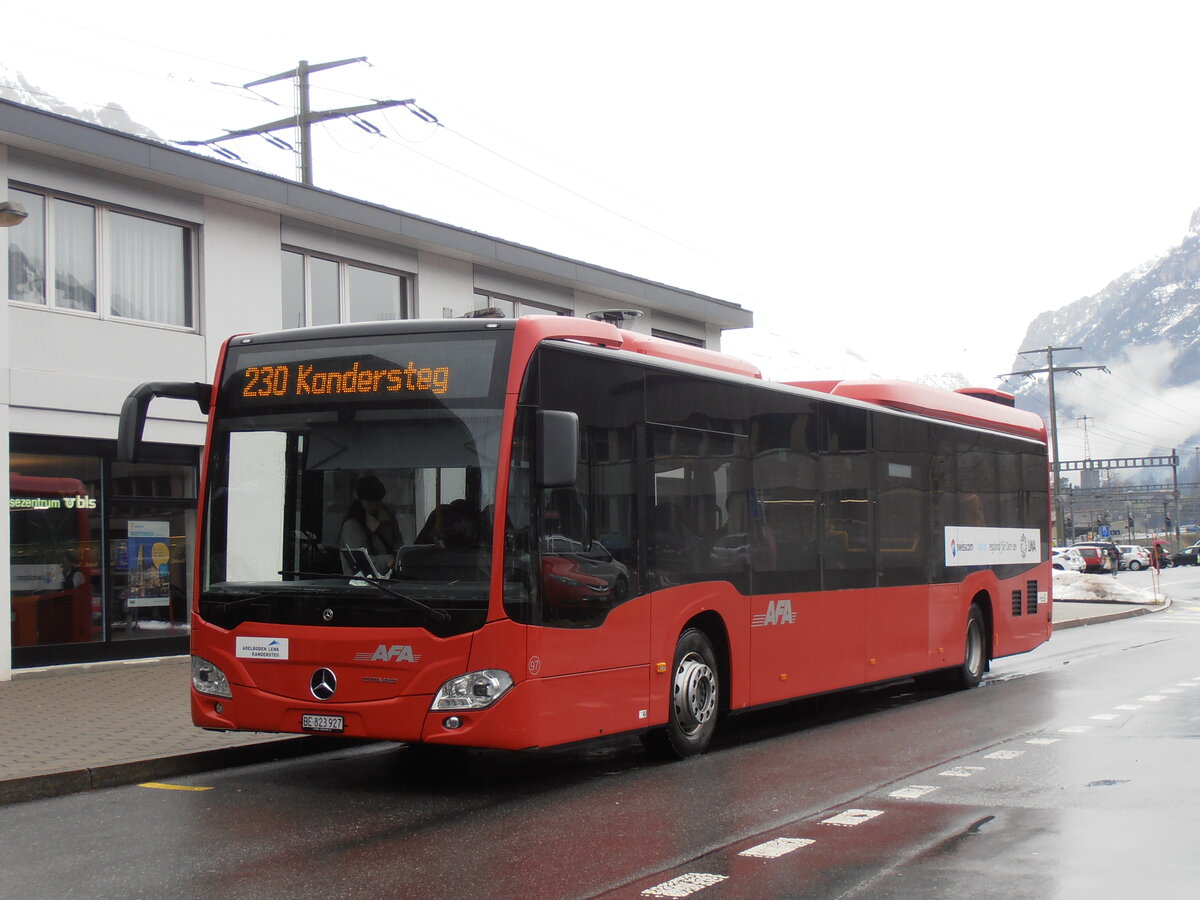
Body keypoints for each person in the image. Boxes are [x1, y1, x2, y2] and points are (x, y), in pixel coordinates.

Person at [340, 475, 402, 575]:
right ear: (360, 500)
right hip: (361, 582)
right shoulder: (352, 525)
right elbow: (361, 560)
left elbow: (397, 541)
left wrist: (400, 555)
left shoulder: (387, 517)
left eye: (378, 500)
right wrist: (386, 561)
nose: (374, 505)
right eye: (369, 501)